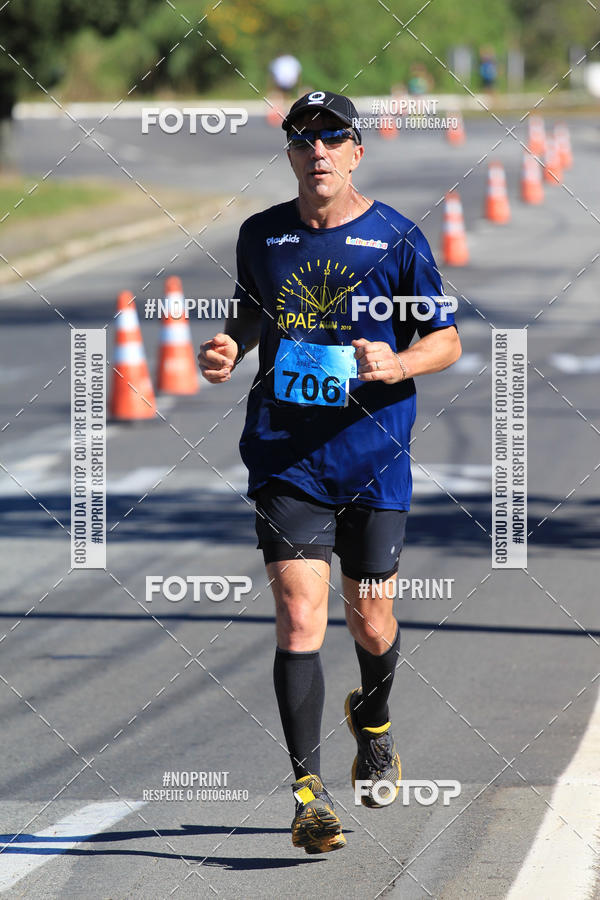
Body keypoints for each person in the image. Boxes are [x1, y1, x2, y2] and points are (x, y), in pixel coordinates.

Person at [198, 90, 461, 855]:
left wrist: (399, 360)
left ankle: (373, 724)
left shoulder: (398, 239)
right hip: (287, 457)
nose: (317, 151)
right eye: (302, 139)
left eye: (332, 137)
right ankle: (308, 793)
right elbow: (251, 313)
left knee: (371, 618)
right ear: (289, 154)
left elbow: (443, 340)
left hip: (374, 459)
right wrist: (228, 346)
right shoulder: (262, 235)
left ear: (355, 152)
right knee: (299, 616)